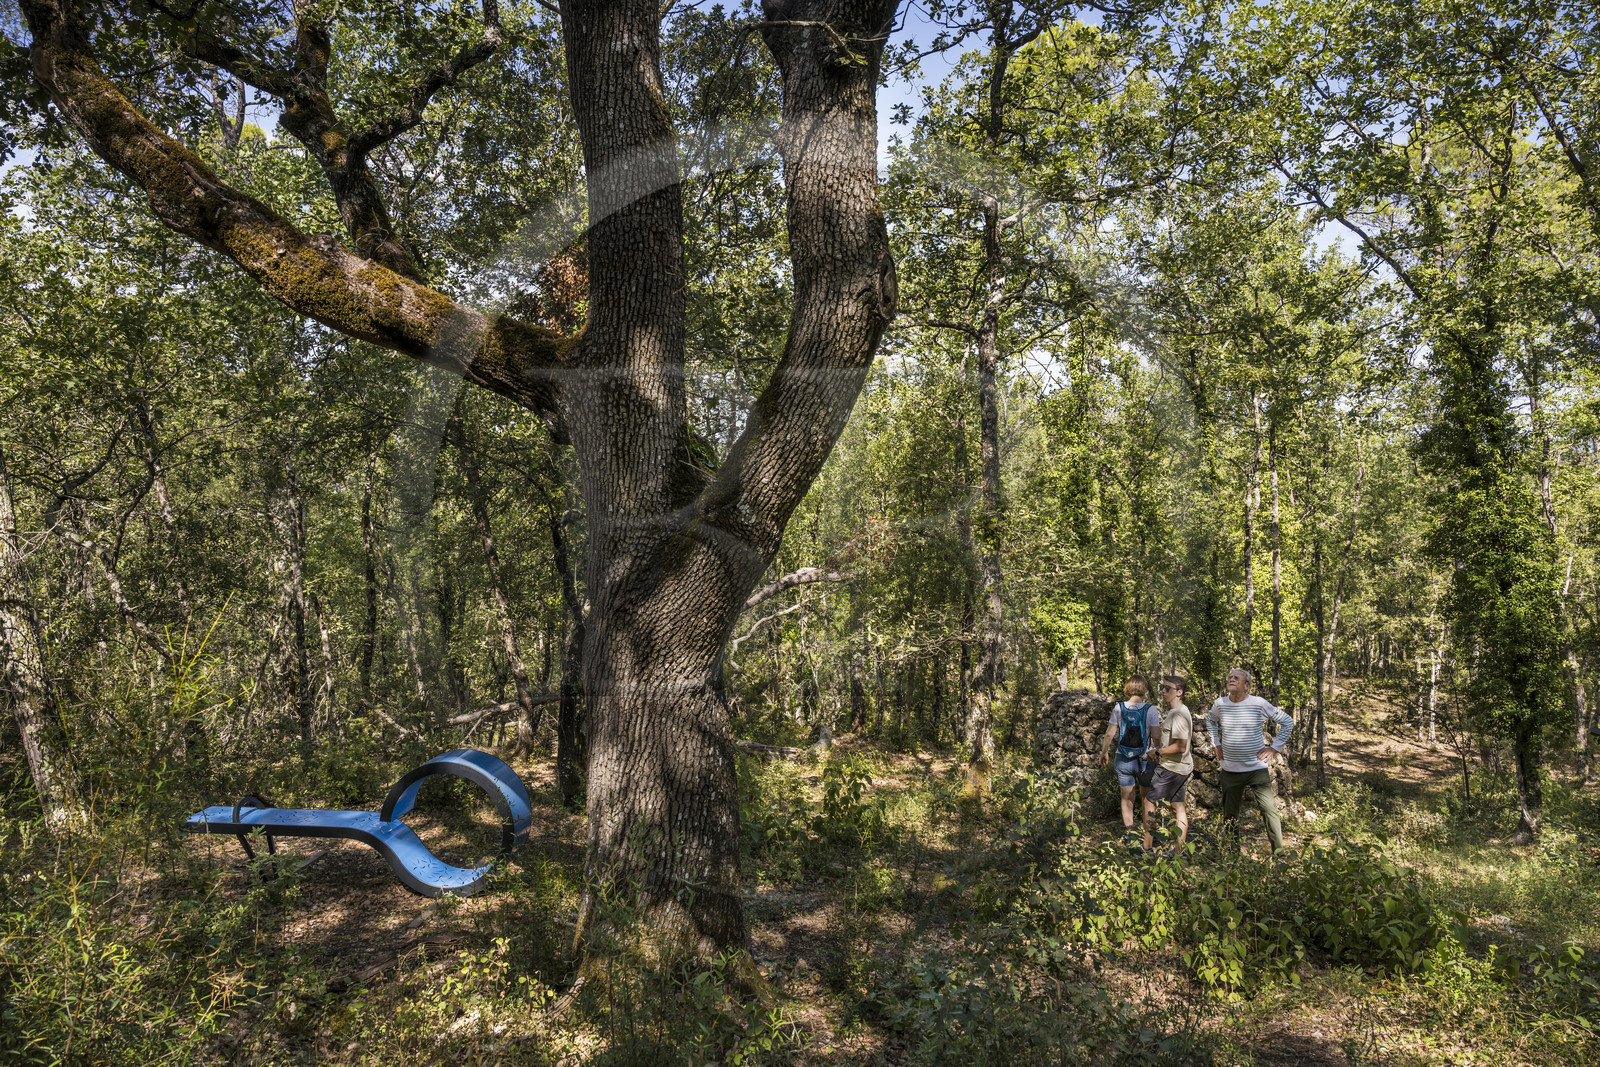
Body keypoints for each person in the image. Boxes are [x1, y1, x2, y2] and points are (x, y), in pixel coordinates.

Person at [1206, 668, 1294, 852]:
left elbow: (1287, 721)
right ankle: (1233, 855)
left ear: (1247, 685)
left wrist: (1274, 748)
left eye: (1236, 678)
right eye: (1229, 677)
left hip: (1256, 770)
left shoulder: (1259, 703)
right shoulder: (1220, 704)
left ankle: (1279, 856)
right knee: (1230, 815)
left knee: (1269, 811)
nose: (1231, 679)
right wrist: (1215, 742)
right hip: (1230, 770)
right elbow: (1210, 721)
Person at [1099, 675, 1161, 850]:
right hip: (1146, 760)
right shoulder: (1151, 710)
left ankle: (1130, 835)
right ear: (1144, 689)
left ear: (1127, 688)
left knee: (1127, 798)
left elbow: (1110, 734)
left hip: (1123, 758)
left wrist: (1104, 752)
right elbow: (1156, 736)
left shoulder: (1119, 708)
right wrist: (1158, 753)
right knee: (1147, 799)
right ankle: (1149, 835)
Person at [1143, 675, 1192, 856]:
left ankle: (1146, 847)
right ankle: (1178, 852)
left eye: (1168, 688)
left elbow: (1180, 746)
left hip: (1171, 768)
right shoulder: (1179, 711)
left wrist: (1157, 752)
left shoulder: (1178, 714)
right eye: (1162, 688)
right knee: (1177, 806)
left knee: (1149, 802)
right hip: (1181, 767)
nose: (1163, 691)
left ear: (1179, 692)